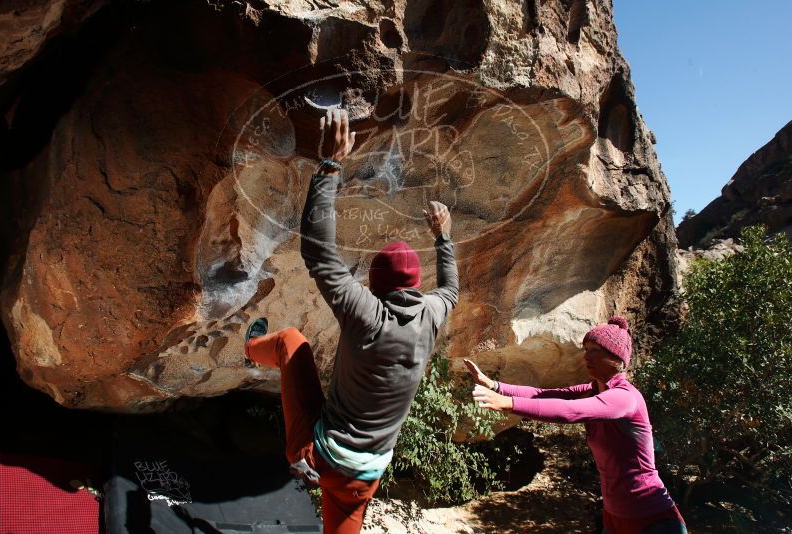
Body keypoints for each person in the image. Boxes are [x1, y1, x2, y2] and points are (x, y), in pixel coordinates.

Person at [244, 108, 459, 534]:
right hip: (364, 478)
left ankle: (250, 351)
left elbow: (319, 253)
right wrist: (444, 237)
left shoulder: (366, 313)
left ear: (375, 286)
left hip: (319, 454)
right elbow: (450, 289)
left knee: (289, 341)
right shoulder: (432, 315)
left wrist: (329, 165)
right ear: (416, 287)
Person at [465, 317, 686, 534]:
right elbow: (544, 395)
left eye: (594, 351)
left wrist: (508, 404)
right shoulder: (593, 389)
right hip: (614, 516)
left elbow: (570, 412)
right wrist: (494, 385)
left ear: (616, 357)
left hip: (653, 519)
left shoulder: (625, 398)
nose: (585, 357)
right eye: (586, 349)